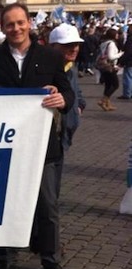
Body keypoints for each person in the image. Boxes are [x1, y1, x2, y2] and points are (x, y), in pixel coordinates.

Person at [0, 2, 74, 269]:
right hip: (7, 145)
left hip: (43, 145)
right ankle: (6, 259)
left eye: (20, 22)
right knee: (7, 202)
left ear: (29, 24)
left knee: (48, 206)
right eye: (9, 24)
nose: (15, 28)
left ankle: (50, 260)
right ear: (2, 27)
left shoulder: (49, 56)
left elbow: (67, 90)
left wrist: (63, 98)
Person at [48, 23, 86, 197]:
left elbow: (77, 91)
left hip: (64, 136)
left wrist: (79, 105)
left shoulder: (71, 68)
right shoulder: (45, 70)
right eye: (67, 45)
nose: (74, 49)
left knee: (54, 188)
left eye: (76, 44)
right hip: (49, 138)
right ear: (53, 46)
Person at [96, 27, 123, 111]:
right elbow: (111, 57)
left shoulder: (104, 42)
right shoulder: (111, 44)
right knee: (115, 85)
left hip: (103, 66)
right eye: (116, 34)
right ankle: (103, 100)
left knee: (108, 85)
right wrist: (120, 54)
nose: (118, 35)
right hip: (109, 66)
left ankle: (107, 104)